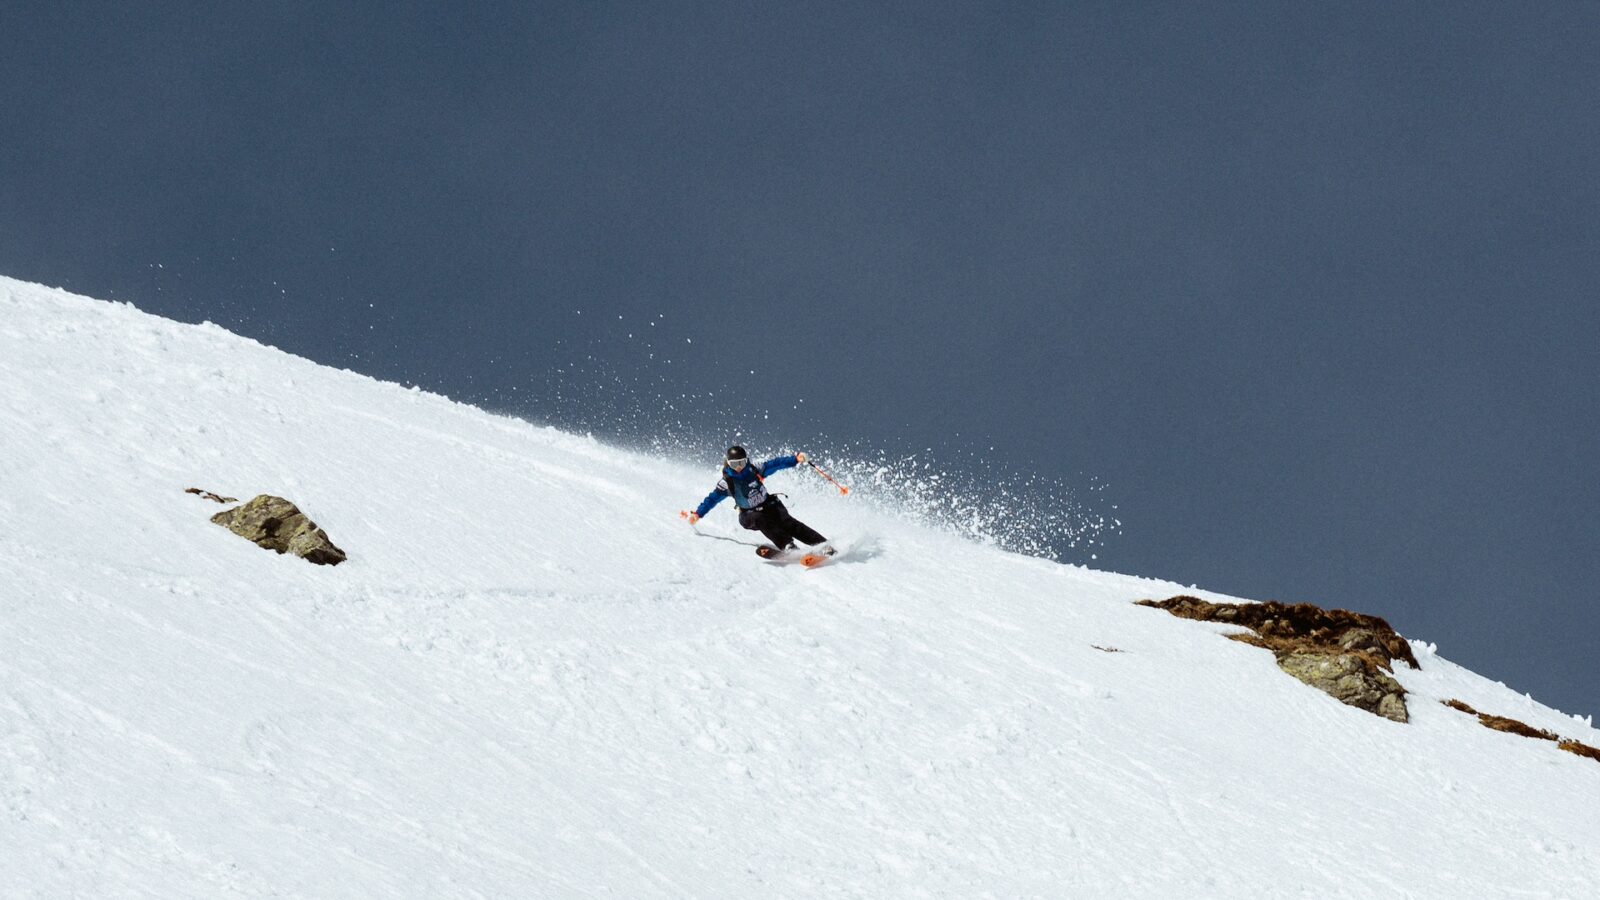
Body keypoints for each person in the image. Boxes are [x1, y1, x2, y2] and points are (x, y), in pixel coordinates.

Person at [685, 445, 833, 559]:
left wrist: (795, 459)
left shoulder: (754, 469)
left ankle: (822, 545)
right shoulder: (727, 482)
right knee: (759, 518)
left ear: (746, 460)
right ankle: (787, 545)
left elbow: (775, 464)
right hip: (748, 515)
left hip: (769, 505)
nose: (739, 467)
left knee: (788, 523)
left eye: (741, 462)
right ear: (728, 464)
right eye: (735, 464)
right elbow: (711, 499)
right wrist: (698, 514)